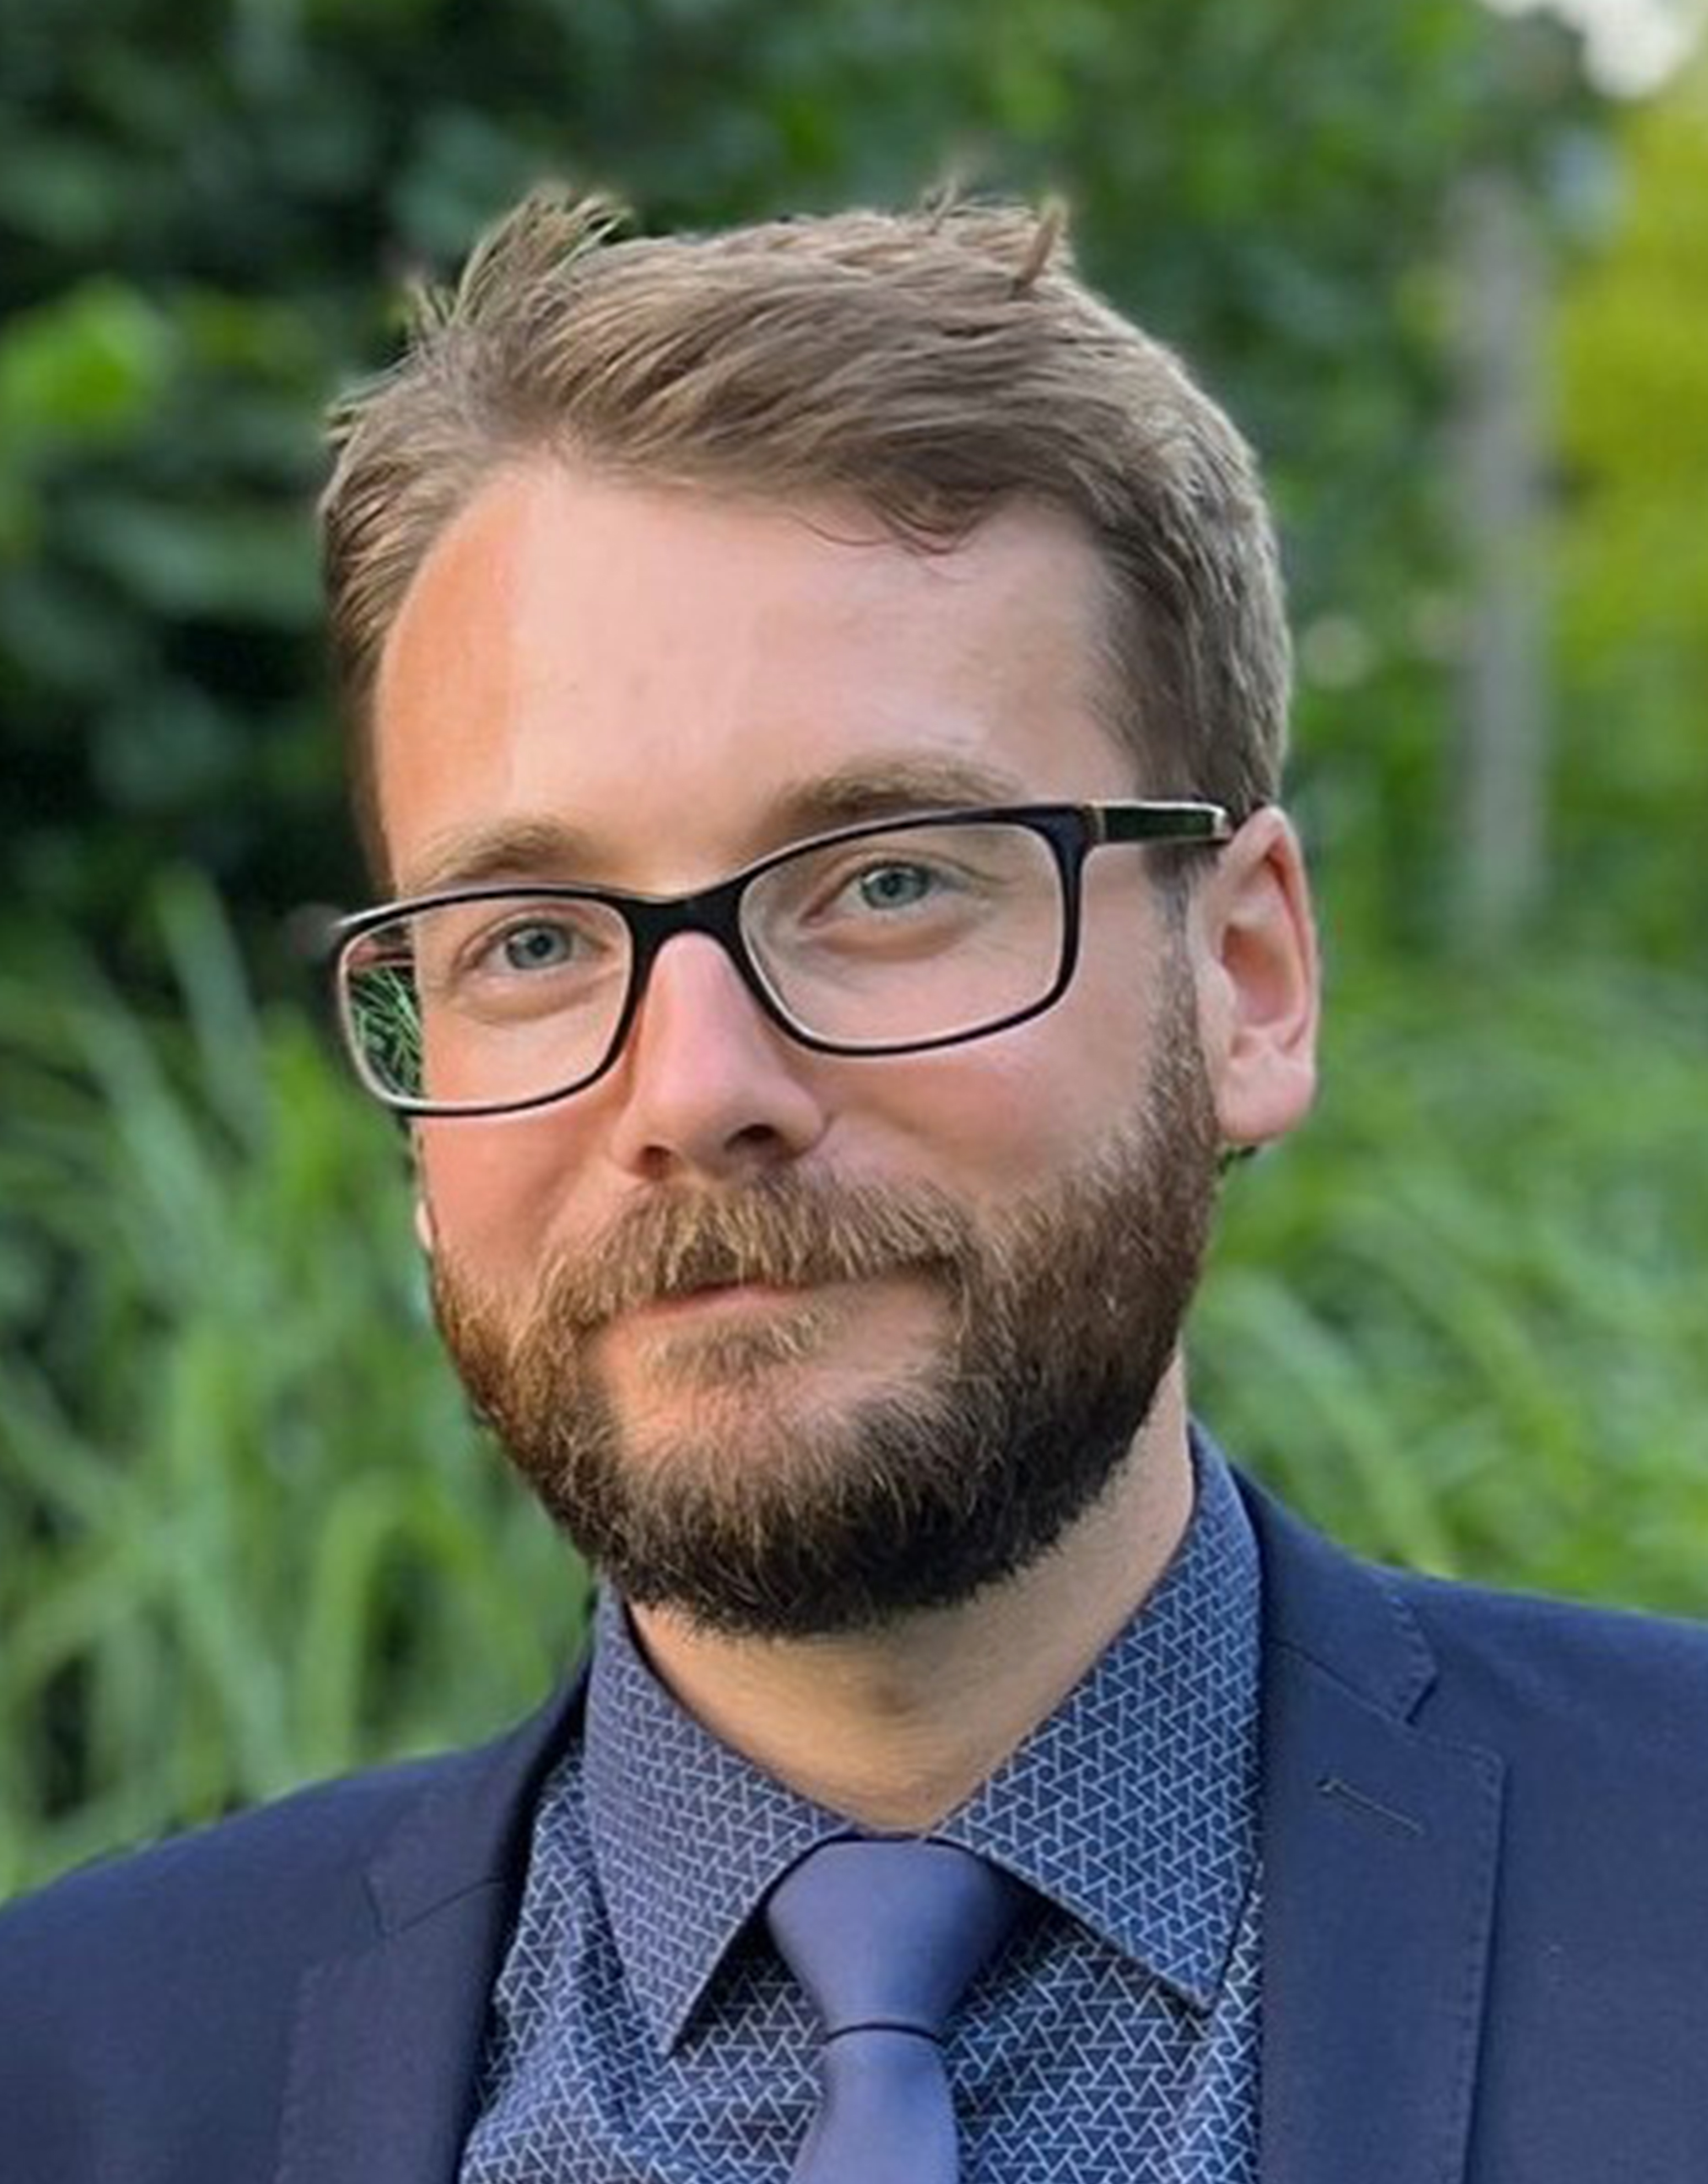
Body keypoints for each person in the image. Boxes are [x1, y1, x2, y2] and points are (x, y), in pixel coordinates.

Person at [3, 188, 1707, 2184]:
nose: (693, 1089)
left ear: (1244, 979)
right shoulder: (72, 2078)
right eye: (531, 939)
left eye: (888, 880)